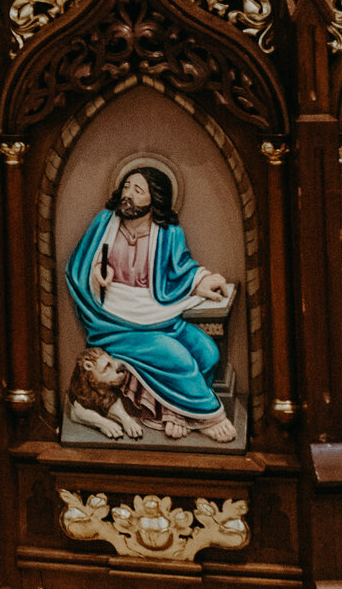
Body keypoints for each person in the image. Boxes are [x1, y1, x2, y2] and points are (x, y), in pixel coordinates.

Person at [63, 165, 235, 443]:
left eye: (137, 190)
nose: (127, 194)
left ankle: (176, 415)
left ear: (154, 200)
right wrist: (96, 274)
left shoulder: (169, 233)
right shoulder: (104, 222)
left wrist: (201, 281)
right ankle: (208, 416)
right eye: (126, 187)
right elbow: (78, 267)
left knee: (207, 353)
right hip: (112, 321)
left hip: (156, 314)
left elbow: (181, 271)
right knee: (178, 359)